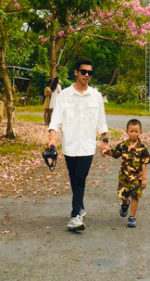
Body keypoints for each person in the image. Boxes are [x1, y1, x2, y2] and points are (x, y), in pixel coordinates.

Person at [47, 58, 109, 231]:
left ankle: (75, 216)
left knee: (80, 178)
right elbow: (56, 120)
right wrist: (52, 138)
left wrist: (105, 142)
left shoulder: (96, 96)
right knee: (74, 179)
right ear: (76, 72)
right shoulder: (64, 95)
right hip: (70, 145)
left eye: (90, 72)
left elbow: (101, 122)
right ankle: (80, 206)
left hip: (87, 146)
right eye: (84, 72)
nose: (87, 75)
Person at [103, 118, 150, 228]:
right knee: (122, 195)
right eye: (131, 131)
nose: (134, 134)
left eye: (136, 131)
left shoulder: (143, 148)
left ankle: (132, 217)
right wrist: (106, 151)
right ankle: (125, 204)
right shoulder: (123, 145)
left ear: (140, 132)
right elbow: (114, 154)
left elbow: (144, 164)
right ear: (127, 132)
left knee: (135, 196)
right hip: (124, 177)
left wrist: (144, 179)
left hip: (136, 178)